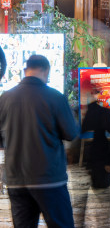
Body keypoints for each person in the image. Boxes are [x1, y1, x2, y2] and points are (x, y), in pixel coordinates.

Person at [0, 55, 79, 227]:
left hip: (16, 179)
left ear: (25, 70)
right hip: (49, 178)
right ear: (46, 70)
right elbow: (71, 133)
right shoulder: (55, 97)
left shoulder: (5, 99)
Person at [75, 85, 110, 227]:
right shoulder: (104, 111)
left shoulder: (86, 112)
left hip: (85, 159)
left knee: (81, 201)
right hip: (101, 158)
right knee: (103, 199)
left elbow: (81, 130)